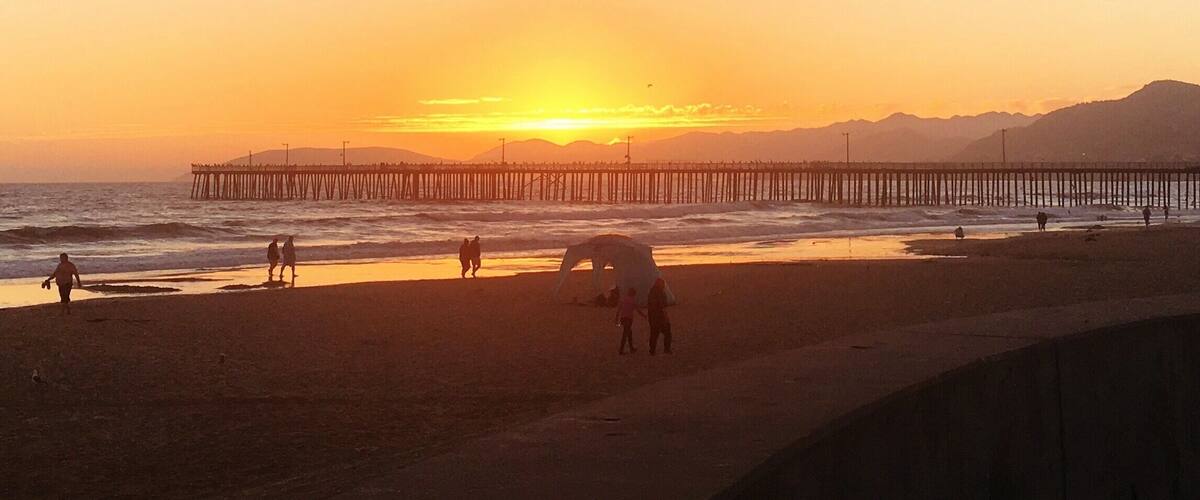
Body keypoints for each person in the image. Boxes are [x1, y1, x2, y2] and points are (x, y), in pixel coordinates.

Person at [614, 287, 644, 355]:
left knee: (629, 333)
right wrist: (644, 316)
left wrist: (616, 319)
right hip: (628, 319)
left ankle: (631, 348)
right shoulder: (633, 301)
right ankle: (621, 350)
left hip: (623, 318)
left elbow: (618, 310)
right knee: (625, 334)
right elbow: (638, 310)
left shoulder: (623, 299)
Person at [647, 278, 672, 355]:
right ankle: (666, 349)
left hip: (652, 317)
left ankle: (652, 350)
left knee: (654, 333)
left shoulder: (652, 292)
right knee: (667, 333)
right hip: (660, 317)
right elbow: (663, 306)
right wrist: (666, 317)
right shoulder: (660, 293)